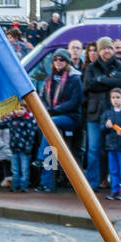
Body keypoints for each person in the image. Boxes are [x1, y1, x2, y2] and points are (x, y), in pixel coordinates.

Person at [82, 37, 121, 188]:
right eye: (103, 48)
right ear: (98, 50)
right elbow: (87, 86)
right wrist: (109, 80)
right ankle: (92, 183)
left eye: (109, 48)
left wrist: (100, 80)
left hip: (114, 114)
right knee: (93, 149)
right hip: (94, 113)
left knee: (114, 149)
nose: (107, 51)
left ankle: (114, 183)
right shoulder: (91, 67)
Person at [37, 51, 82, 193]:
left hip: (70, 117)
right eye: (55, 59)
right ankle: (46, 183)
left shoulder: (75, 79)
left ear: (67, 62)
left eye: (62, 59)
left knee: (50, 125)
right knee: (51, 145)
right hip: (53, 119)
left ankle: (40, 158)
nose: (58, 61)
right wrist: (48, 110)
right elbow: (41, 98)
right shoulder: (48, 80)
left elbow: (75, 102)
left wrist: (54, 110)